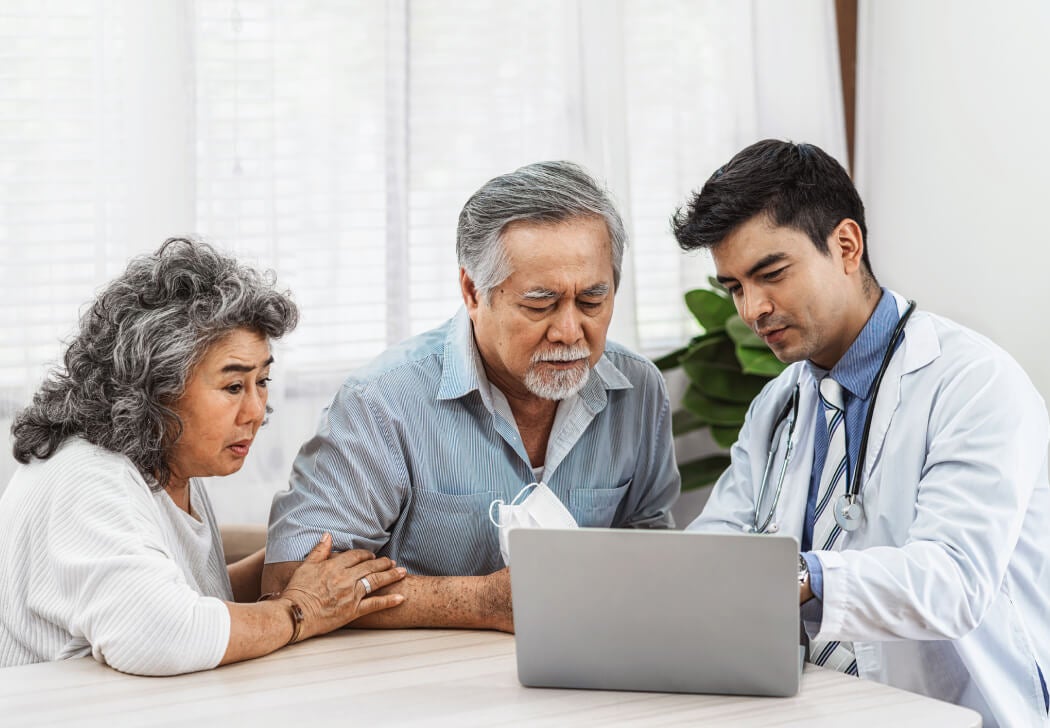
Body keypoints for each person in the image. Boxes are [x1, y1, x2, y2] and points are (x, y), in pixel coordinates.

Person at [672, 139, 1050, 727]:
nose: (752, 310)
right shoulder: (779, 403)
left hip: (958, 712)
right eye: (735, 288)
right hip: (816, 708)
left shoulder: (974, 385)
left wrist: (803, 576)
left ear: (846, 245)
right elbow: (718, 544)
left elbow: (953, 580)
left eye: (770, 274)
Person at [263, 161, 681, 631]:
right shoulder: (383, 401)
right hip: (419, 685)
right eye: (540, 304)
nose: (569, 332)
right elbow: (290, 581)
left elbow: (651, 546)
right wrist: (480, 601)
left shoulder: (638, 388)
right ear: (471, 291)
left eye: (592, 302)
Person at [0, 239, 407, 676]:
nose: (255, 412)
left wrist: (296, 561)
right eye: (234, 387)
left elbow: (179, 597)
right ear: (155, 388)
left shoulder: (164, 463)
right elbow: (160, 634)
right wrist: (301, 610)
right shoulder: (88, 479)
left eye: (263, 381)